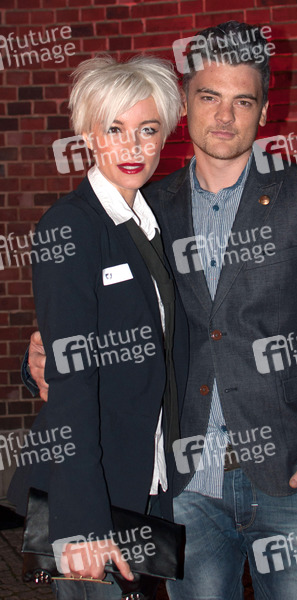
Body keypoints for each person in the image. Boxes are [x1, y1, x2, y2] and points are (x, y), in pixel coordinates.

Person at [22, 21, 297, 600]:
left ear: (264, 110)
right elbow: (99, 320)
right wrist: (37, 361)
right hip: (185, 485)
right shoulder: (148, 207)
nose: (224, 116)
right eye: (209, 96)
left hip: (293, 478)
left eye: (243, 100)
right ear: (185, 103)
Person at [8, 54, 188, 600]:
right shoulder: (70, 225)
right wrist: (82, 522)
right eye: (115, 129)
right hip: (90, 493)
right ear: (88, 135)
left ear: (164, 136)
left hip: (144, 478)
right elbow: (71, 383)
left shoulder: (153, 223)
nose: (133, 147)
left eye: (147, 130)